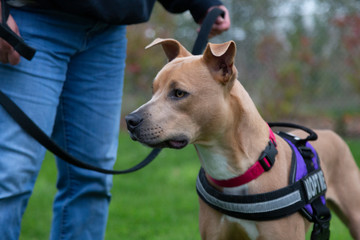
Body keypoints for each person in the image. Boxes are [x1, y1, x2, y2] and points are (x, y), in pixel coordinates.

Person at [0, 0, 230, 239]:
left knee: (92, 181)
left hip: (108, 31)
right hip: (30, 21)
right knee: (10, 176)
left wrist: (202, 3)